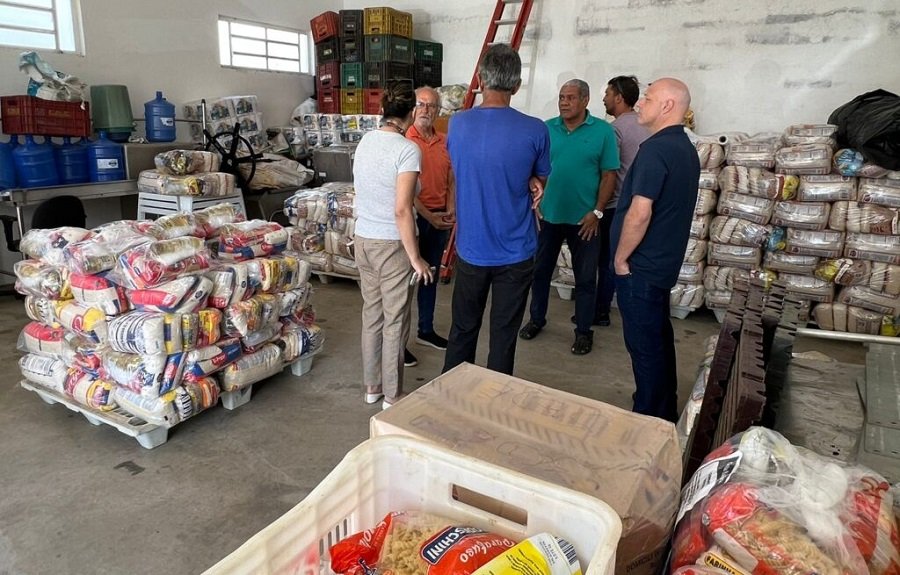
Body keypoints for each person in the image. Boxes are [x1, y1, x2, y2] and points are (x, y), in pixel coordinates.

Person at [442, 44, 551, 376]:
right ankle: (495, 400)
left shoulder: (458, 125)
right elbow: (541, 179)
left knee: (463, 330)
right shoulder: (536, 129)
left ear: (480, 80)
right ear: (516, 85)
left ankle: (450, 397)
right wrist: (530, 178)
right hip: (517, 252)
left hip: (472, 249)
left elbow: (463, 167)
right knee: (504, 337)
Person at [609, 77, 701, 422]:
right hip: (661, 265)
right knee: (658, 340)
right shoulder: (683, 148)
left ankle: (647, 419)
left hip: (641, 268)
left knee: (645, 348)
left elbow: (640, 212)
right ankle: (663, 410)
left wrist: (621, 259)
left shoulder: (655, 150)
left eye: (647, 98)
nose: (639, 104)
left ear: (667, 106)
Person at [518, 79, 618, 355]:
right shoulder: (547, 129)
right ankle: (536, 319)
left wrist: (597, 212)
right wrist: (535, 201)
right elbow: (532, 169)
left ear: (585, 100)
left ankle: (584, 331)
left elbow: (609, 175)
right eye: (562, 97)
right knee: (540, 273)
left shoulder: (603, 132)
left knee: (585, 279)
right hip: (548, 217)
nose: (564, 102)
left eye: (571, 97)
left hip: (585, 221)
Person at [353, 80, 433, 409]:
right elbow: (402, 209)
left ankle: (372, 387)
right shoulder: (406, 149)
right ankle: (392, 395)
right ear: (411, 112)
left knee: (372, 315)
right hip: (392, 244)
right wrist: (416, 258)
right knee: (395, 320)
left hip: (363, 238)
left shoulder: (365, 141)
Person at [592, 75, 651, 327]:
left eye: (607, 94)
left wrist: (597, 206)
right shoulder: (646, 125)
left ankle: (600, 311)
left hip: (615, 204)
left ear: (618, 97)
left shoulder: (614, 129)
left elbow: (609, 171)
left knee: (607, 260)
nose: (604, 99)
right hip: (639, 201)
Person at [404, 86, 455, 367]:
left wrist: (451, 208)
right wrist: (428, 215)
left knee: (430, 276)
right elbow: (405, 191)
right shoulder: (404, 141)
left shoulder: (445, 141)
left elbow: (452, 178)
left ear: (438, 111)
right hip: (412, 218)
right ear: (412, 109)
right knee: (405, 281)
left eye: (432, 105)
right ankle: (400, 343)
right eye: (421, 104)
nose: (426, 110)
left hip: (439, 218)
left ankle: (426, 330)